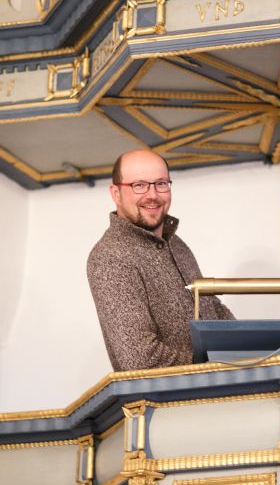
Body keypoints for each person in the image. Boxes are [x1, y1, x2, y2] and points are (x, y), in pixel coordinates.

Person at [87, 149, 234, 371]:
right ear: (116, 193)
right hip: (168, 403)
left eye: (161, 183)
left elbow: (211, 309)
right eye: (139, 185)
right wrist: (219, 365)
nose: (152, 194)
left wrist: (254, 349)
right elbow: (139, 358)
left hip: (218, 392)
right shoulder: (110, 256)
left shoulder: (177, 244)